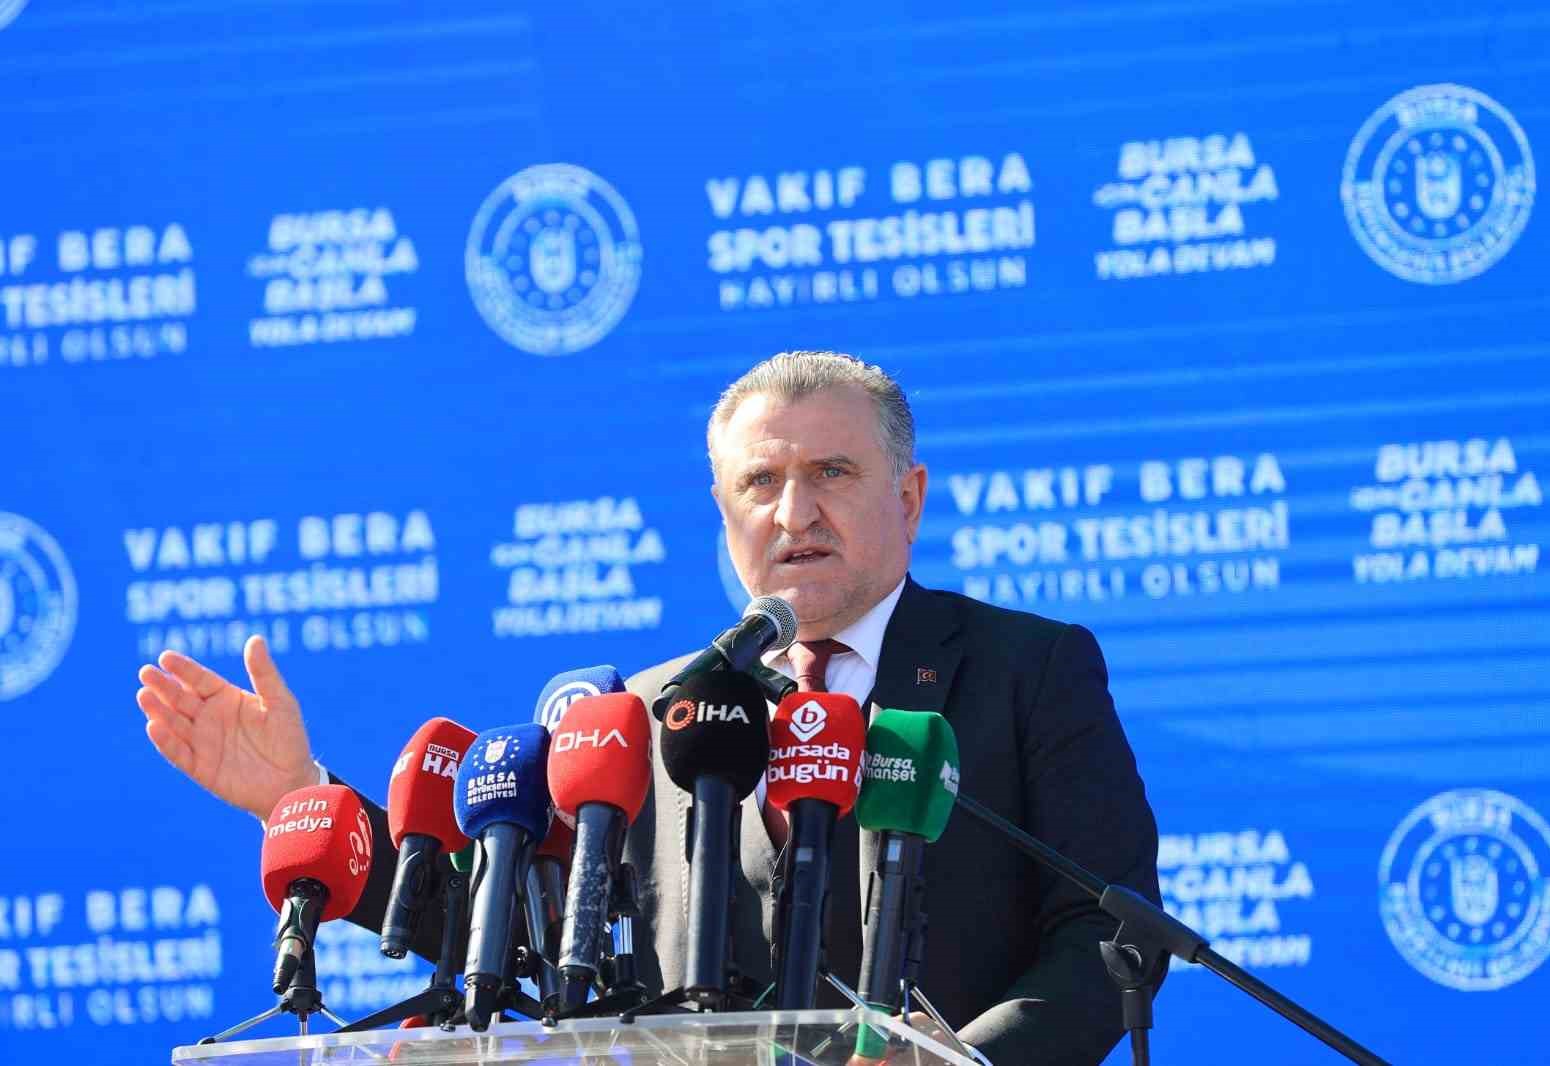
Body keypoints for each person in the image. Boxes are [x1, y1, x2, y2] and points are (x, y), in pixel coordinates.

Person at [136, 351, 1161, 1064]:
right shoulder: (649, 708)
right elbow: (522, 937)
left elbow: (1109, 934)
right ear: (723, 514)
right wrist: (300, 797)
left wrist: (963, 1064)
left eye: (831, 473)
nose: (794, 511)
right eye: (759, 482)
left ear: (909, 497)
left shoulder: (1027, 668)